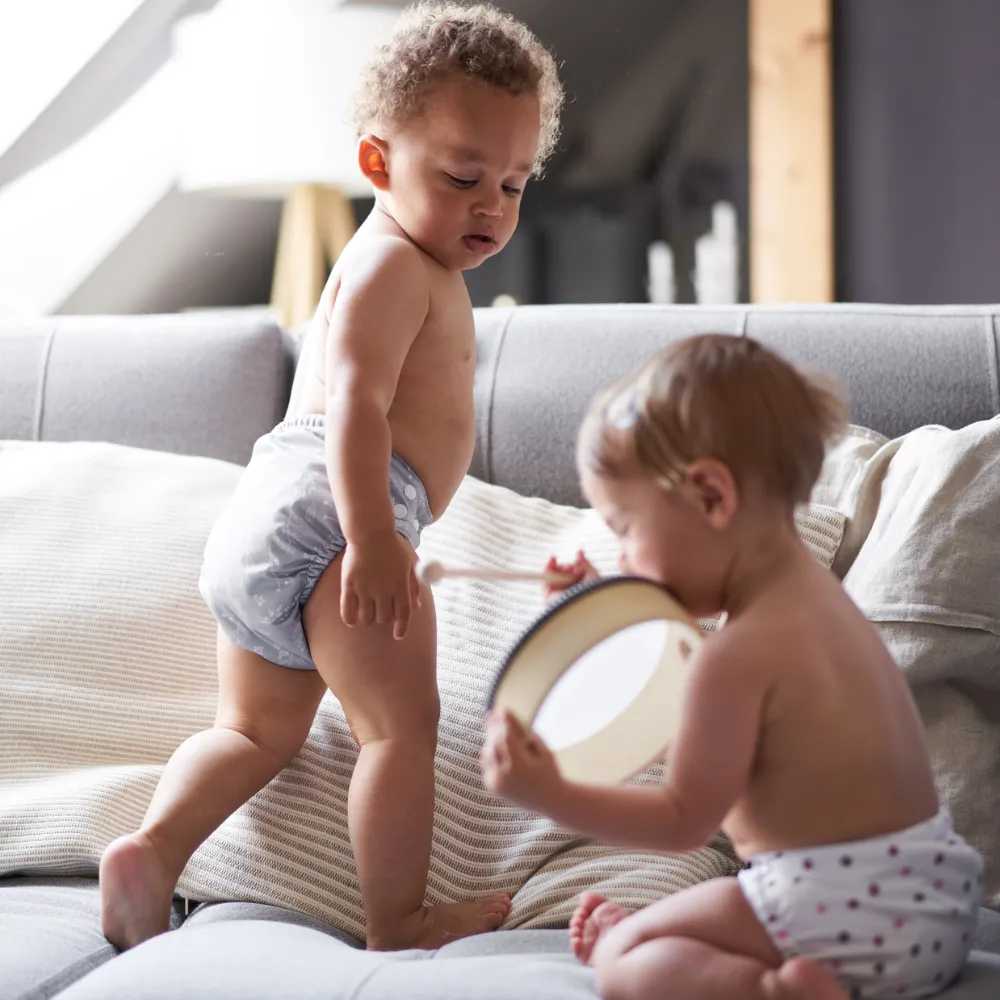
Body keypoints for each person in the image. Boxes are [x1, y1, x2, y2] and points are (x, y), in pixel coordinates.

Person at [100, 1, 563, 952]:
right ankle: (398, 917)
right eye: (464, 175)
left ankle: (152, 850)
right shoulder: (397, 267)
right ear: (378, 163)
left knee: (253, 733)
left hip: (272, 515)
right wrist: (376, 539)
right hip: (341, 513)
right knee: (398, 728)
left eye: (515, 185)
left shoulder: (399, 258)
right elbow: (353, 405)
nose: (491, 206)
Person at [481, 334, 983, 1000]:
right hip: (933, 903)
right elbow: (680, 635)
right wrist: (596, 601)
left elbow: (683, 819)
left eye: (626, 528)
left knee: (625, 960)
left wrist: (550, 794)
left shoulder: (733, 661)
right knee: (655, 930)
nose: (625, 557)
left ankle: (777, 991)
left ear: (712, 497)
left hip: (835, 911)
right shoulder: (816, 600)